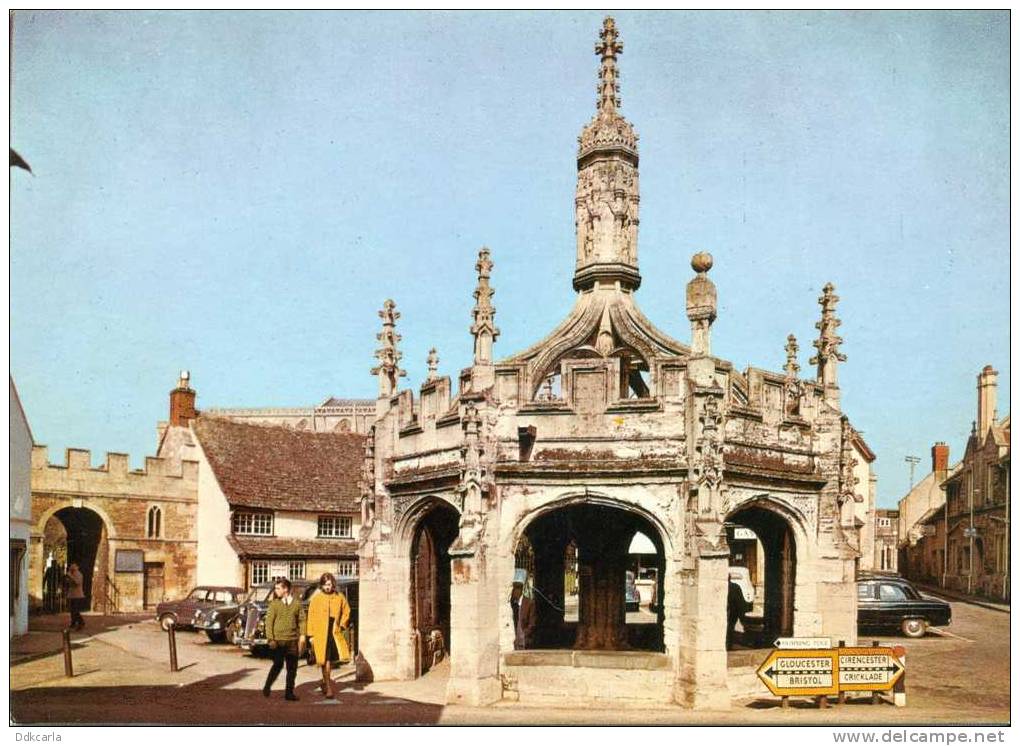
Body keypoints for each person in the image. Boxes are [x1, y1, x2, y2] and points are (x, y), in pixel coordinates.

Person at [306, 572, 351, 699]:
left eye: (329, 584)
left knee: (329, 660)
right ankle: (328, 686)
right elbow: (311, 617)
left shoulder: (339, 597)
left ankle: (325, 683)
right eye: (325, 585)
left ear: (333, 584)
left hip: (333, 632)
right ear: (321, 585)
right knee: (323, 659)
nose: (327, 587)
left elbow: (347, 611)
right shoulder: (316, 599)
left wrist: (342, 624)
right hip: (320, 633)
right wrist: (311, 635)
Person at [262, 578, 306, 701]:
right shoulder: (274, 604)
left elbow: (302, 620)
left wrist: (302, 635)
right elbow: (269, 622)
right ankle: (267, 686)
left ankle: (289, 692)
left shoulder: (297, 604)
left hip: (292, 641)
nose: (275, 591)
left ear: (286, 589)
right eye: (275, 588)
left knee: (292, 668)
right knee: (277, 665)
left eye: (278, 588)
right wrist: (270, 639)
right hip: (278, 641)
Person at [509, 568, 536, 650]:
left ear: (522, 588)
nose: (516, 590)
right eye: (515, 587)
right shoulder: (511, 604)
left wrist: (524, 634)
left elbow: (532, 624)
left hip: (525, 641)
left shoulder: (529, 603)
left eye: (519, 587)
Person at [64, 563, 86, 631]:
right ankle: (73, 622)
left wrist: (70, 576)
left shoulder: (78, 574)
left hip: (77, 595)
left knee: (75, 610)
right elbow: (69, 583)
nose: (71, 569)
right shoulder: (72, 574)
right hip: (72, 595)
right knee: (72, 610)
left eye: (72, 567)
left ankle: (81, 622)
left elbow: (77, 582)